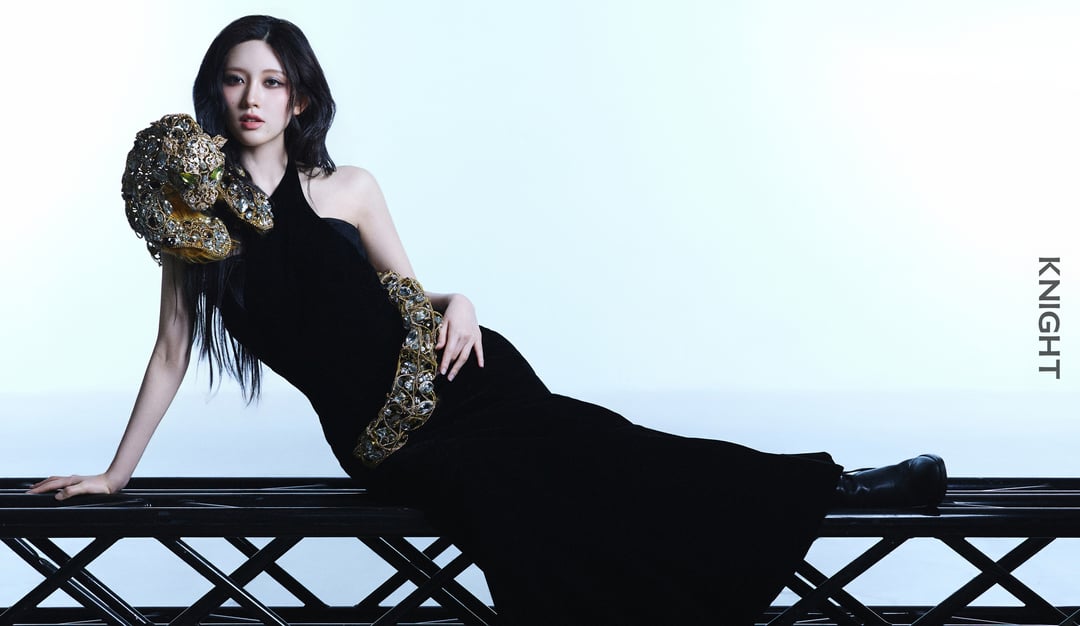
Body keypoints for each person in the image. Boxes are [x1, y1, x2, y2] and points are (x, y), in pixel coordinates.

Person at [30, 15, 947, 625]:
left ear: (299, 98)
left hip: (466, 377)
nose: (252, 97)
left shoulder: (349, 188)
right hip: (388, 439)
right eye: (236, 81)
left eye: (271, 81)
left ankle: (837, 485)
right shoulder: (195, 223)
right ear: (215, 93)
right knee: (522, 489)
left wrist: (460, 302)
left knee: (613, 448)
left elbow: (407, 295)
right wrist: (115, 474)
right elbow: (171, 351)